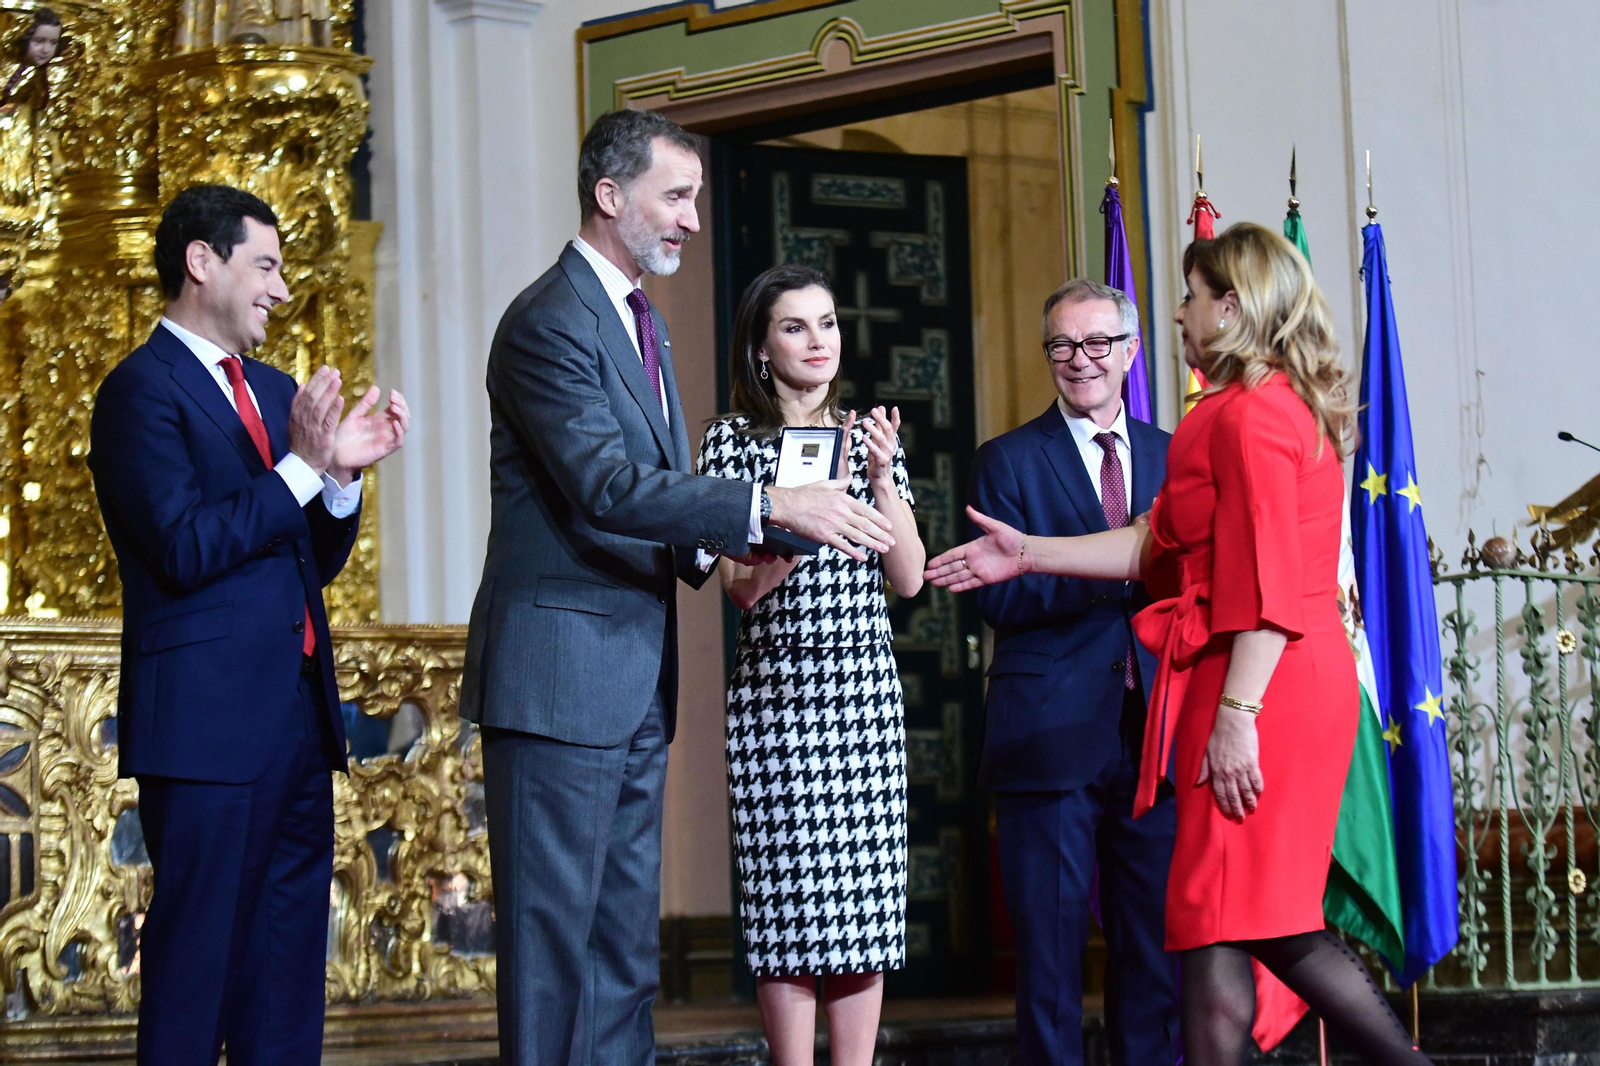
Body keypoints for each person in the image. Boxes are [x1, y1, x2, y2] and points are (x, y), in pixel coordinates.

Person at [926, 223, 1430, 1066]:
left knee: (1263, 921)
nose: (1180, 315)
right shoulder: (1220, 416)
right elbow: (1152, 545)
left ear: (1230, 308)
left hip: (1262, 686)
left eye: (1193, 298)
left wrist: (1237, 715)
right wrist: (1028, 551)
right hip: (1229, 683)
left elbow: (1269, 591)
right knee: (1209, 932)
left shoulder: (1256, 418)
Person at [459, 109, 896, 1066]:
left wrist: (756, 543)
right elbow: (606, 486)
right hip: (559, 683)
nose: (695, 220)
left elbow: (655, 502)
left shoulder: (639, 320)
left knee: (623, 955)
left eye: (698, 198)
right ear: (610, 197)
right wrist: (766, 504)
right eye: (679, 196)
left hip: (631, 682)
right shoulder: (547, 322)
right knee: (554, 956)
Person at [89, 184, 409, 1065]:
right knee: (196, 974)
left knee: (285, 975)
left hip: (296, 730)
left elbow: (309, 560)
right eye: (264, 265)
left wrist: (340, 479)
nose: (280, 286)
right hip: (204, 733)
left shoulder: (273, 393)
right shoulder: (138, 393)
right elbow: (186, 548)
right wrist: (305, 467)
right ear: (202, 262)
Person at [696, 264, 924, 1066]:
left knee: (861, 907)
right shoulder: (731, 441)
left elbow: (909, 576)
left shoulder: (867, 435)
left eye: (826, 323)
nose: (817, 341)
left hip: (861, 690)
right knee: (787, 904)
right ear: (762, 347)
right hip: (776, 695)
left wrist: (877, 479)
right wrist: (799, 517)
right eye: (795, 326)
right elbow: (740, 589)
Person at [970, 278, 1176, 1066]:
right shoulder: (1009, 461)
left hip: (1155, 733)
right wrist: (1125, 564)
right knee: (1050, 965)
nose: (1079, 361)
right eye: (1062, 345)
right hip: (1048, 738)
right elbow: (1002, 599)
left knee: (1154, 955)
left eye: (1096, 344)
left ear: (1129, 352)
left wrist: (1114, 563)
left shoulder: (1172, 454)